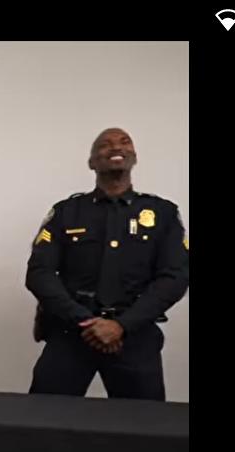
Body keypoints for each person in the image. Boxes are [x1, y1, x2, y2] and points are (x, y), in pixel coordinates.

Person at [26, 127, 189, 400]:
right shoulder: (67, 212)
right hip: (72, 332)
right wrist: (85, 321)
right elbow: (39, 273)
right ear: (91, 162)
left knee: (143, 422)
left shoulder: (163, 213)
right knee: (43, 417)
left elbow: (175, 276)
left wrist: (122, 326)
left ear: (134, 157)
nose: (116, 147)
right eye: (105, 144)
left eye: (124, 142)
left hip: (135, 335)